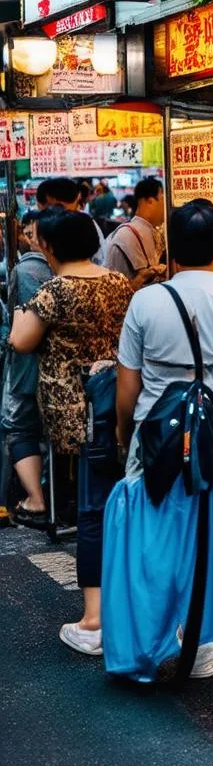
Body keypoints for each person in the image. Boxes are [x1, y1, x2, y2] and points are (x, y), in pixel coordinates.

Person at [104, 201, 213, 680]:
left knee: (152, 547)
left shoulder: (146, 301)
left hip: (154, 438)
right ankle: (203, 641)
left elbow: (127, 385)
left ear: (169, 248)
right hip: (210, 441)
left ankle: (146, 647)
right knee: (207, 541)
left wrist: (124, 432)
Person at [9, 209, 133, 655]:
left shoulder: (55, 290)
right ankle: (126, 600)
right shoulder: (118, 283)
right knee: (119, 497)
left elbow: (20, 340)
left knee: (91, 510)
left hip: (75, 406)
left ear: (50, 247)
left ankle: (95, 619)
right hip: (117, 397)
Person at [4, 211, 53, 528]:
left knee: (19, 426)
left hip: (27, 368)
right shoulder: (62, 273)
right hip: (63, 374)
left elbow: (20, 332)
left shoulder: (26, 271)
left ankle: (36, 499)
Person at [104, 177, 167, 290]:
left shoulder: (145, 229)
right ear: (150, 201)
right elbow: (146, 282)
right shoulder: (130, 234)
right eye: (163, 199)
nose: (166, 206)